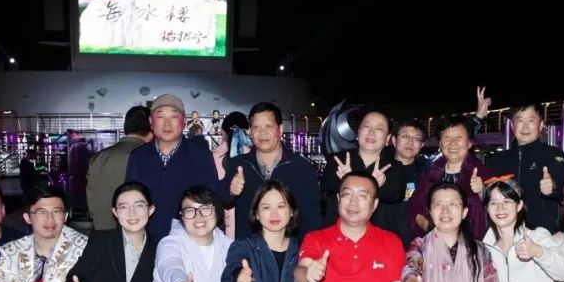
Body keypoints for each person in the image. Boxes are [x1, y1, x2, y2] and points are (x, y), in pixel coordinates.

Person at [125, 94, 225, 241]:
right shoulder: (138, 157)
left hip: (188, 242)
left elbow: (211, 202)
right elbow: (129, 200)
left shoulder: (201, 156)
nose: (167, 124)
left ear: (184, 122)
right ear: (151, 122)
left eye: (173, 117)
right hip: (146, 242)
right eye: (160, 117)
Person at [225, 102, 321, 240]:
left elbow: (312, 220)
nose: (262, 132)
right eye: (256, 127)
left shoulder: (301, 168)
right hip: (249, 249)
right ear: (250, 131)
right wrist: (230, 191)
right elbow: (219, 200)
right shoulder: (238, 165)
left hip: (290, 249)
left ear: (280, 129)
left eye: (268, 126)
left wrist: (304, 251)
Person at [486, 100, 564, 233]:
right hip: (507, 233)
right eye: (520, 120)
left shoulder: (553, 154)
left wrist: (553, 187)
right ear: (512, 125)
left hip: (543, 234)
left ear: (540, 125)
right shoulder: (498, 159)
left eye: (531, 120)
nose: (525, 127)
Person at [321, 107, 406, 231]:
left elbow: (395, 195)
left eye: (379, 129)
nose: (371, 133)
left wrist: (378, 185)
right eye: (366, 127)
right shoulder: (339, 159)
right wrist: (347, 180)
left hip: (379, 236)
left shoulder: (394, 166)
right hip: (338, 235)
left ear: (388, 138)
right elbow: (327, 185)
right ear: (358, 132)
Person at [409, 116, 491, 240]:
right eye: (447, 138)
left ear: (469, 143)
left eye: (459, 138)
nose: (453, 143)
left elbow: (499, 209)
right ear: (440, 144)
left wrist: (482, 191)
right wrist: (430, 228)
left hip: (471, 244)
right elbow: (414, 208)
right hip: (435, 244)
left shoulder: (483, 173)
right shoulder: (429, 174)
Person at [87, 105, 152, 231]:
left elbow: (91, 195)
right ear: (152, 129)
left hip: (100, 228)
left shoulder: (98, 157)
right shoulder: (146, 156)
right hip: (131, 231)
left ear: (125, 127)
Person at [392, 119, 428, 246]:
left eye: (416, 138)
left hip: (415, 246)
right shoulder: (381, 170)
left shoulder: (427, 175)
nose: (410, 142)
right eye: (405, 136)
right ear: (394, 140)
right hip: (381, 243)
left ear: (422, 145)